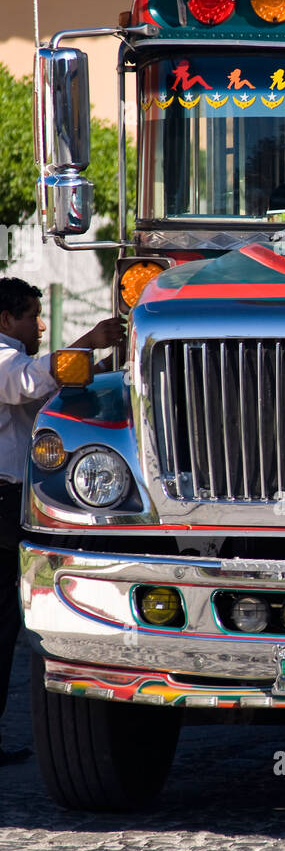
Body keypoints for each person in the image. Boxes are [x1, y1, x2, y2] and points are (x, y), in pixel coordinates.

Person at [0, 278, 124, 766]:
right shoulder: (3, 358)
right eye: (31, 314)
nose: (40, 323)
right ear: (6, 320)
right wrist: (90, 342)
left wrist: (92, 353)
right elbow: (26, 380)